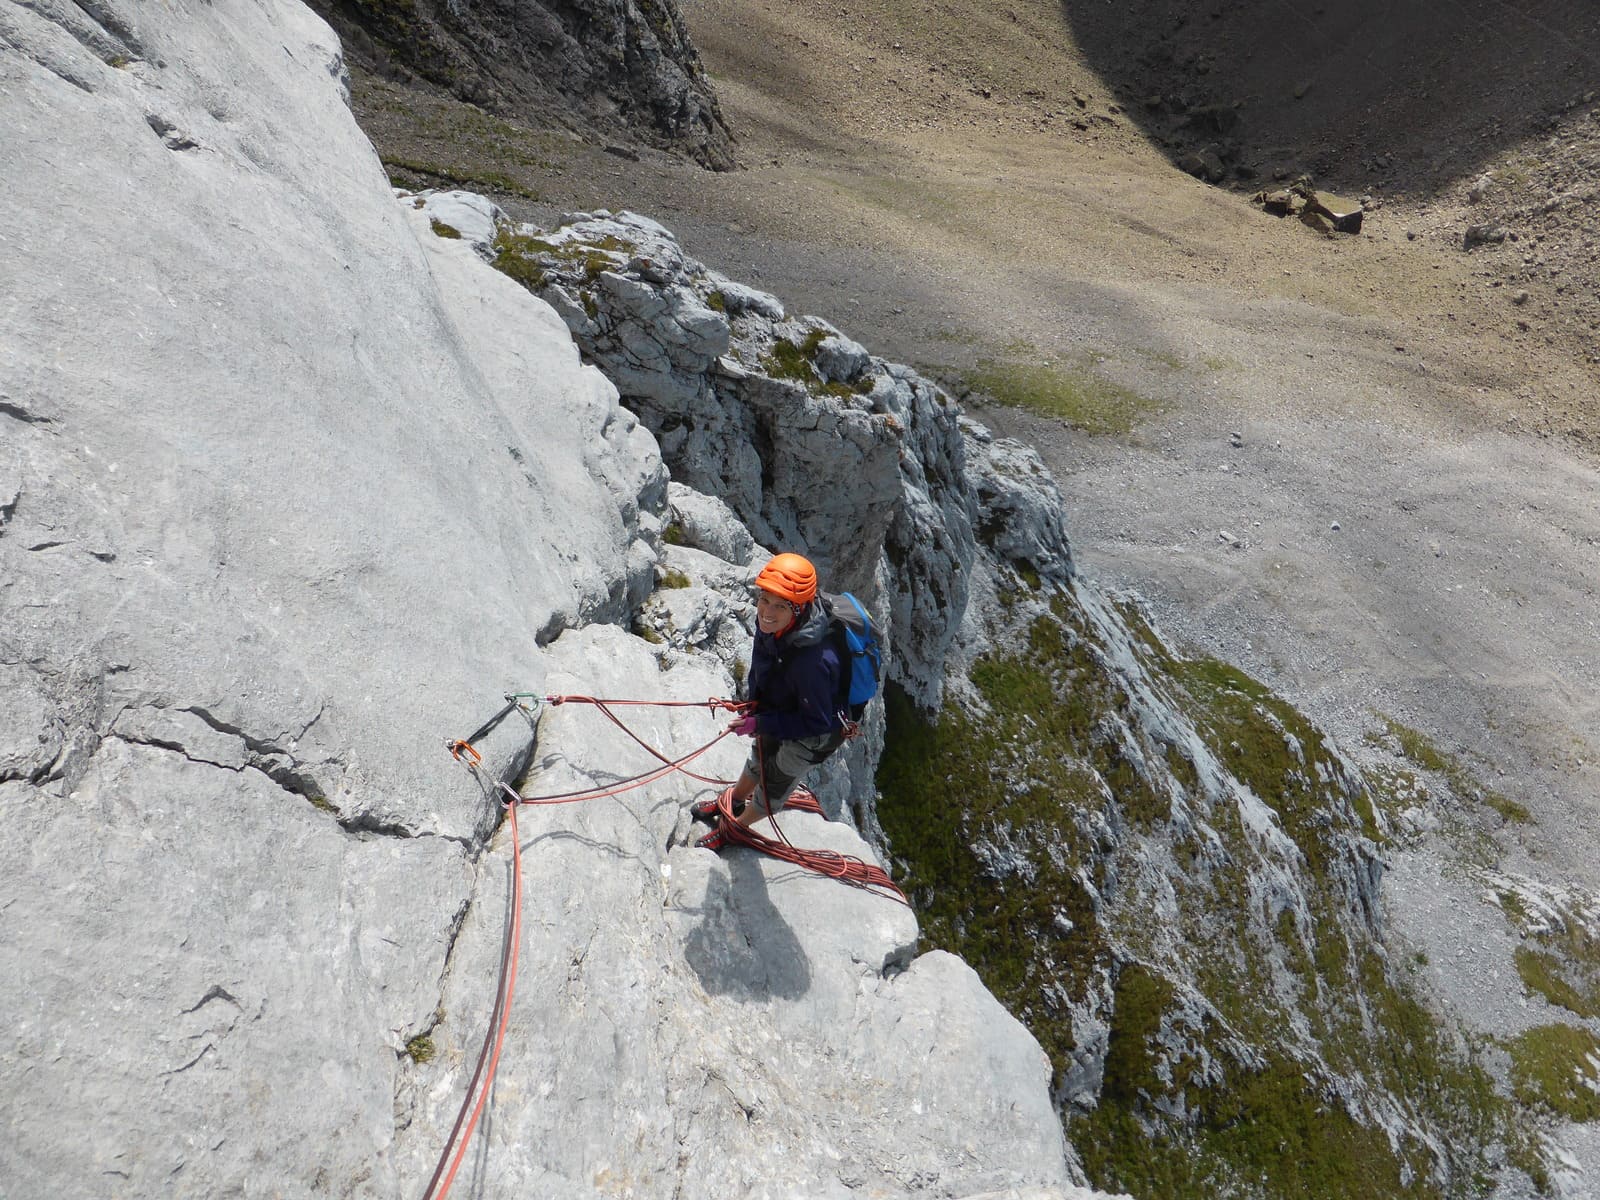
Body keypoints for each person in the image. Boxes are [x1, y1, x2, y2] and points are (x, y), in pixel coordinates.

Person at [693, 552, 851, 852]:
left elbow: (815, 722)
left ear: (800, 608)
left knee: (774, 780)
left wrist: (761, 722)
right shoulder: (774, 626)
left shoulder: (813, 662)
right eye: (764, 599)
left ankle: (734, 828)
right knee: (759, 755)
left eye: (780, 606)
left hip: (813, 733)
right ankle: (734, 800)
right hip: (781, 710)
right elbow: (763, 667)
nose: (767, 611)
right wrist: (753, 705)